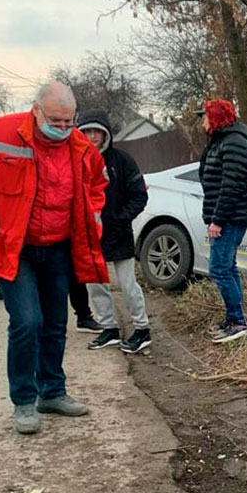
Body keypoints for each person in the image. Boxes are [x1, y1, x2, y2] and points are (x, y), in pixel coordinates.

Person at [0, 82, 109, 435]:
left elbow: (97, 186)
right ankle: (24, 401)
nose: (60, 128)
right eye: (54, 121)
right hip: (16, 247)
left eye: (67, 122)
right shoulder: (0, 133)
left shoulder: (82, 148)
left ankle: (52, 392)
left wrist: (93, 220)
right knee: (28, 322)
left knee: (57, 324)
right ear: (36, 110)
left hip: (58, 247)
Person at [77, 110, 151, 353]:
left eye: (96, 131)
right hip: (88, 236)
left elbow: (139, 195)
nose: (92, 136)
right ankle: (109, 328)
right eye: (86, 131)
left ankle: (142, 329)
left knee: (128, 284)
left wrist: (121, 218)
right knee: (95, 285)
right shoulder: (75, 160)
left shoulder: (122, 160)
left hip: (119, 233)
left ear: (106, 132)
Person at [197, 99, 247, 343]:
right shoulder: (223, 140)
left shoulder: (234, 143)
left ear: (216, 117)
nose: (202, 122)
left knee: (219, 269)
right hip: (228, 215)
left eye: (205, 116)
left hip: (230, 217)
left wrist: (217, 220)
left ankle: (238, 322)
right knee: (227, 266)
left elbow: (232, 186)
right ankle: (235, 318)